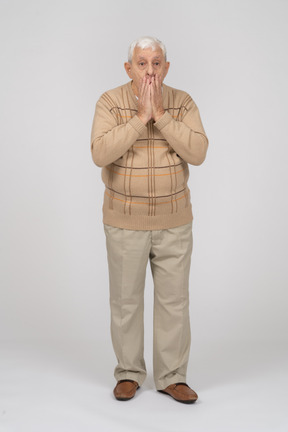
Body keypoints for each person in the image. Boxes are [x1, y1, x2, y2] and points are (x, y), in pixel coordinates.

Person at [90, 36, 209, 404]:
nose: (150, 71)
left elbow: (198, 151)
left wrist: (162, 115)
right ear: (129, 68)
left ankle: (172, 376)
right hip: (125, 222)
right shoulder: (110, 101)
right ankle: (128, 373)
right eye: (142, 64)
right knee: (126, 301)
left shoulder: (182, 101)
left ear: (167, 67)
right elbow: (100, 153)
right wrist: (141, 117)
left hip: (175, 220)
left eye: (157, 63)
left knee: (174, 301)